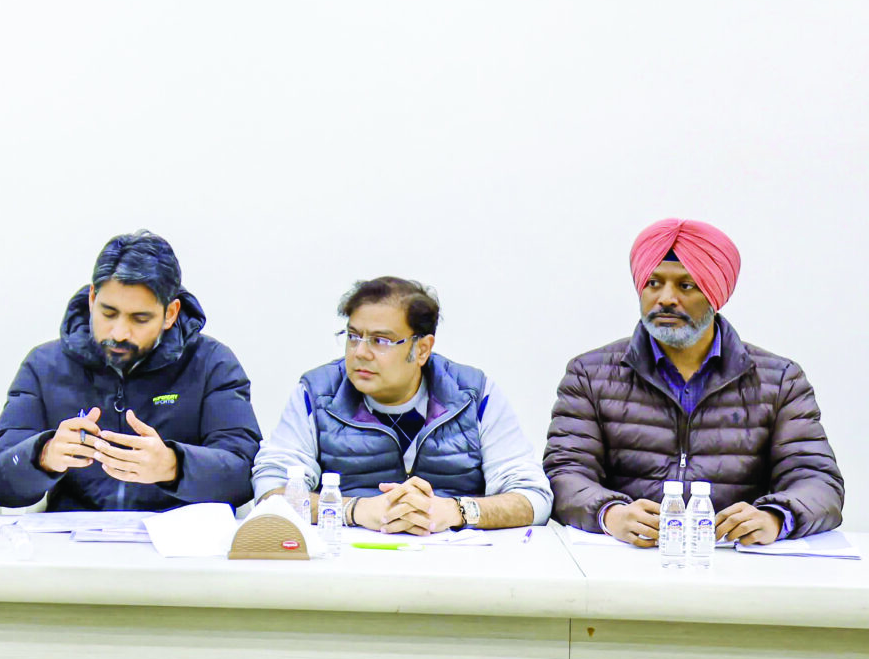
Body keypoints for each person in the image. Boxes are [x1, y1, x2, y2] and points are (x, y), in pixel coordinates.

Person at [546, 219, 843, 545]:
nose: (666, 298)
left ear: (716, 294)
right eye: (654, 283)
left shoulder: (778, 381)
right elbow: (565, 473)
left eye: (686, 286)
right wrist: (612, 514)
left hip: (735, 565)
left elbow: (817, 481)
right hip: (627, 561)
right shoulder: (591, 374)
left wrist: (774, 517)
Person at [0, 230, 261, 512]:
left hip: (177, 545)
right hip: (70, 548)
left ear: (171, 314)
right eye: (108, 313)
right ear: (92, 299)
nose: (119, 333)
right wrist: (43, 456)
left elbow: (244, 476)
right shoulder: (45, 365)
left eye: (140, 319)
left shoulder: (212, 364)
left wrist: (174, 466)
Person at [251, 277, 550, 532]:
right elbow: (271, 493)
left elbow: (533, 497)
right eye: (353, 337)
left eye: (380, 341)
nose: (360, 353)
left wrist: (455, 511)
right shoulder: (317, 394)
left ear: (422, 349)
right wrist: (355, 510)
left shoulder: (474, 394)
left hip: (457, 563)